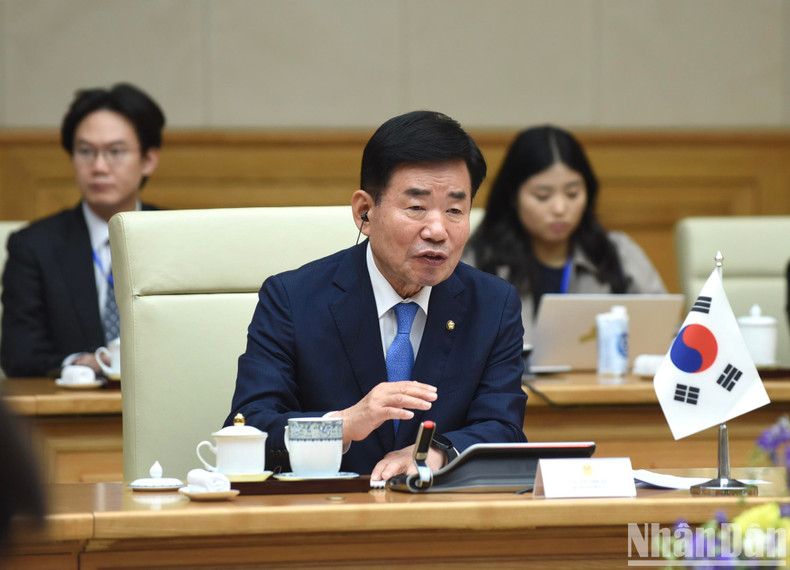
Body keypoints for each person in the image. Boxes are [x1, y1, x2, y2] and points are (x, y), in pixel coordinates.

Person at [225, 110, 527, 480]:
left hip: (441, 517)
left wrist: (434, 455)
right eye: (416, 208)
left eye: (454, 210)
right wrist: (343, 424)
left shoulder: (494, 305)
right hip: (326, 516)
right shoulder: (291, 298)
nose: (437, 230)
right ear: (364, 212)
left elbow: (504, 427)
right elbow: (251, 428)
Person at [1, 83, 165, 377]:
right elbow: (19, 354)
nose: (99, 166)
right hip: (75, 411)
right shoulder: (34, 246)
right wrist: (82, 365)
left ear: (148, 160)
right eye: (86, 151)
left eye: (115, 151)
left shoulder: (177, 237)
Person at [465, 125, 666, 342]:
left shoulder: (617, 253)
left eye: (572, 194)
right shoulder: (480, 261)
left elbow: (667, 330)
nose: (560, 209)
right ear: (513, 197)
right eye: (543, 196)